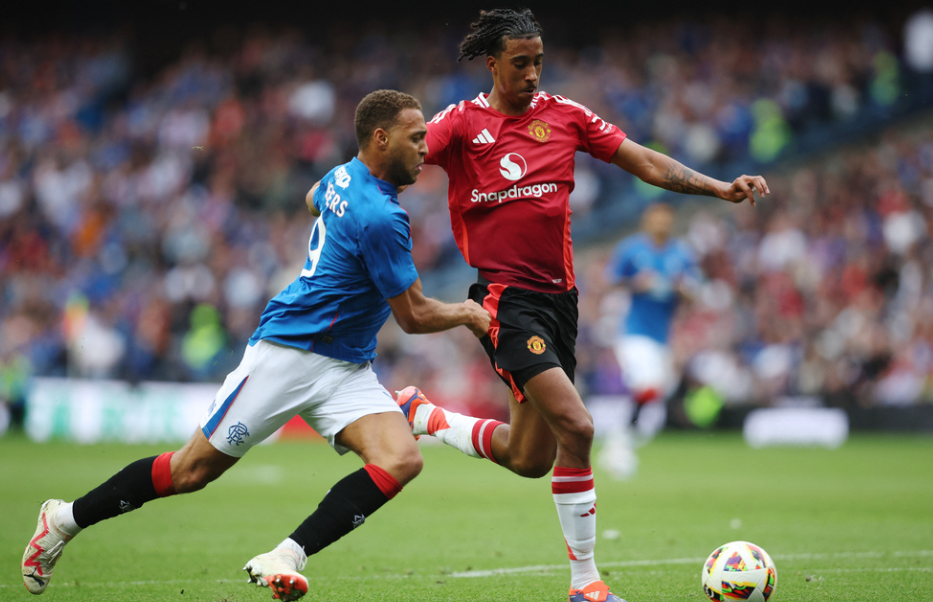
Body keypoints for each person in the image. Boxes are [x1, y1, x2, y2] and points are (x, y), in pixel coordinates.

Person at [21, 89, 490, 602]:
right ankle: (63, 520)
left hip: (345, 365)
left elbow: (314, 198)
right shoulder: (382, 216)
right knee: (191, 471)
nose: (427, 149)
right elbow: (415, 316)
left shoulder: (341, 176)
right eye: (416, 138)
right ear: (381, 138)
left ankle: (287, 555)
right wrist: (470, 313)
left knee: (401, 458)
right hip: (289, 354)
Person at [394, 8, 769, 602]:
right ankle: (585, 584)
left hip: (560, 304)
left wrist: (719, 188)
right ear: (492, 64)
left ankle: (426, 418)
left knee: (528, 458)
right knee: (579, 425)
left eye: (538, 61)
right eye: (521, 63)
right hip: (504, 301)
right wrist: (346, 187)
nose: (533, 73)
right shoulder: (462, 124)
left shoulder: (565, 117)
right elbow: (402, 155)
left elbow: (644, 160)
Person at [598, 202, 700, 480]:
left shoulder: (682, 254)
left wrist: (683, 289)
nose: (661, 224)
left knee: (656, 392)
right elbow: (610, 280)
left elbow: (694, 293)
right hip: (634, 333)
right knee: (649, 387)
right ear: (647, 221)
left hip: (662, 336)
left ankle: (618, 442)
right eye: (657, 219)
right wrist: (635, 284)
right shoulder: (632, 249)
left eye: (666, 219)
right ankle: (620, 443)